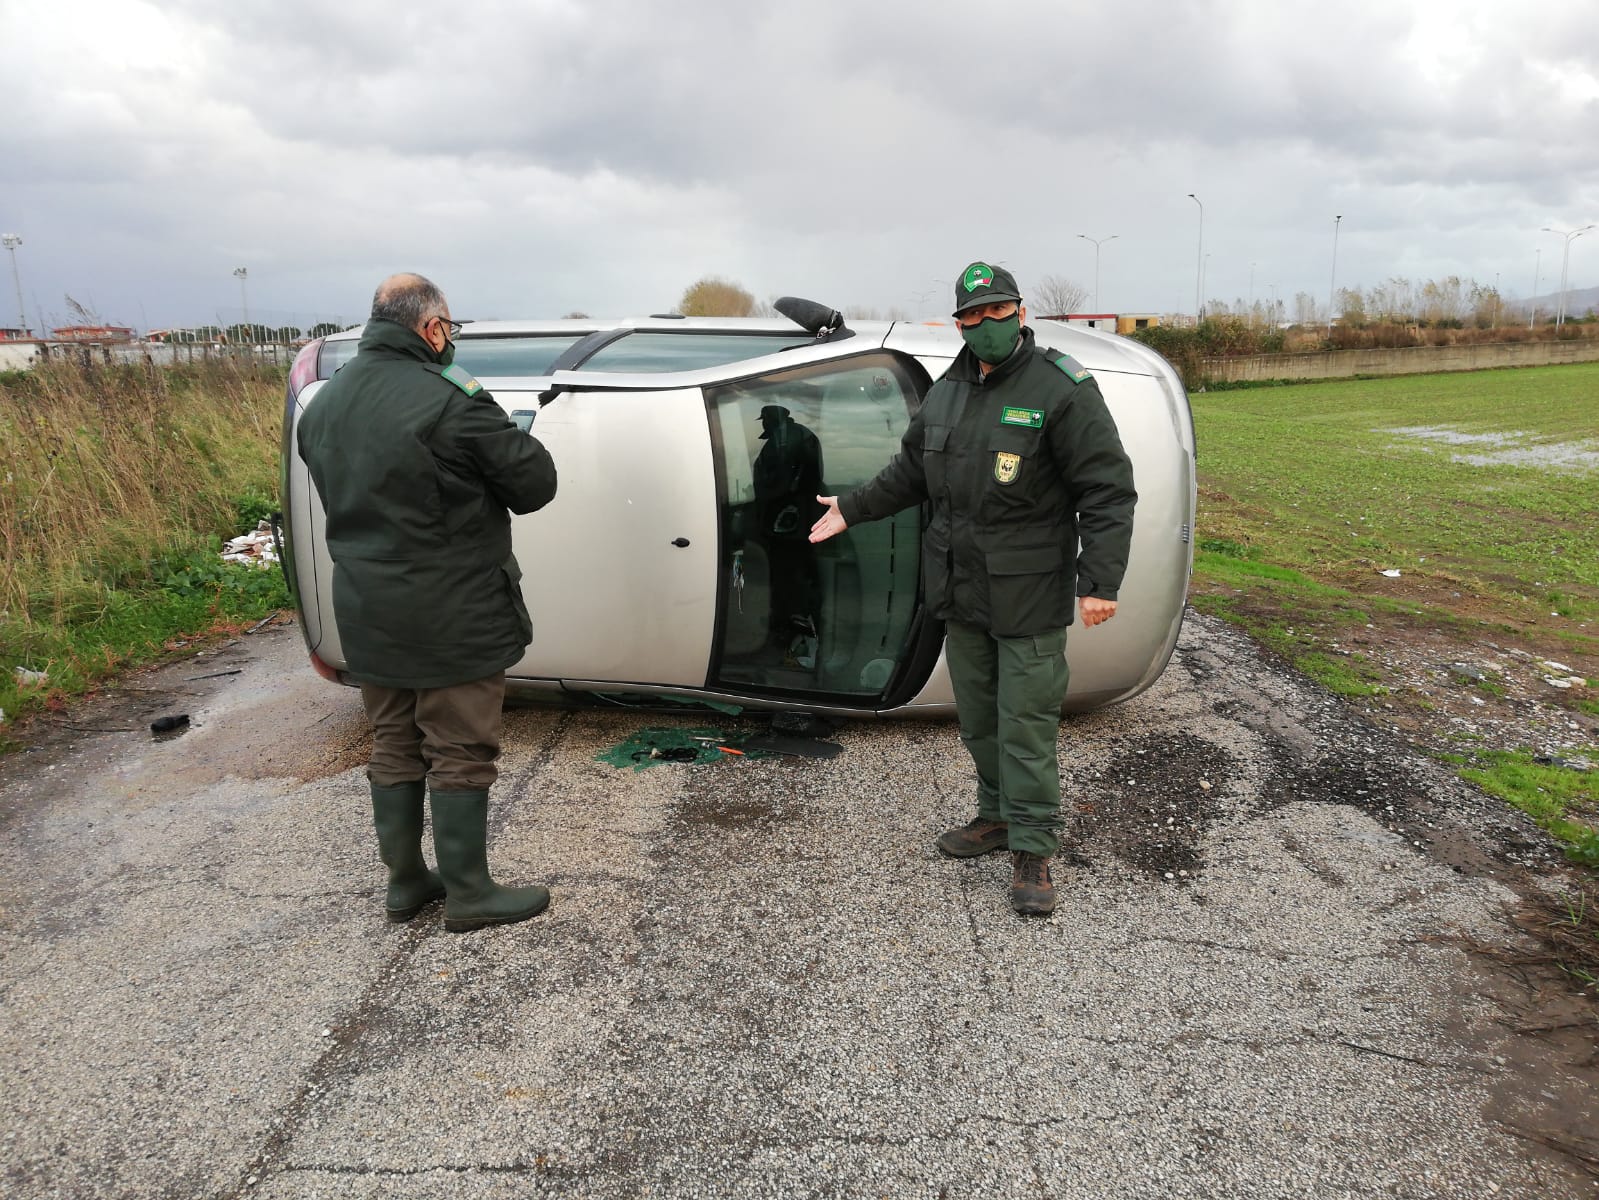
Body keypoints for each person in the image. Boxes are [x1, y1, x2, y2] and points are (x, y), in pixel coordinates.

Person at [809, 262, 1136, 916]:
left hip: (1027, 596)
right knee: (980, 721)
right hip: (961, 593)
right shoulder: (947, 390)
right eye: (972, 316)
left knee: (1025, 725)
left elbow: (1106, 490)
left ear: (1019, 314)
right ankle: (995, 818)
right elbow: (910, 471)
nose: (985, 325)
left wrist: (1099, 580)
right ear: (958, 322)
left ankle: (1033, 850)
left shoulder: (1060, 389)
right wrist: (852, 506)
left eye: (997, 312)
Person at [297, 273, 559, 932]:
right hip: (451, 610)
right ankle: (469, 892)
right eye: (452, 330)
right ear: (433, 328)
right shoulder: (453, 400)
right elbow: (534, 484)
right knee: (459, 747)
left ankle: (406, 883)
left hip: (367, 605)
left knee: (393, 740)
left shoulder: (324, 404)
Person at [751, 402, 825, 664]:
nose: (762, 424)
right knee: (797, 574)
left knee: (786, 576)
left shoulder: (785, 441)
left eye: (764, 419)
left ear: (772, 420)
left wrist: (764, 510)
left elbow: (781, 484)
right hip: (797, 520)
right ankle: (796, 619)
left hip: (788, 523)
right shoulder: (801, 435)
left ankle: (786, 625)